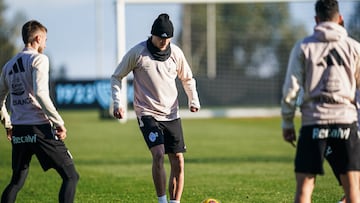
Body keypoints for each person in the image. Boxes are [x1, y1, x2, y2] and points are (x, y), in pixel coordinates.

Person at [111, 13, 200, 203]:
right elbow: (117, 76)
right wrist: (118, 103)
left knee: (177, 159)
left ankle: (174, 202)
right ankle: (162, 201)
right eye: (161, 37)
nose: (164, 41)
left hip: (171, 113)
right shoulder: (138, 53)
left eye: (168, 38)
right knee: (159, 154)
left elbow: (187, 78)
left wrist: (194, 100)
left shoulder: (176, 53)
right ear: (153, 34)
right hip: (147, 113)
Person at [281, 0, 360, 202]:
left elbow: (291, 88)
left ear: (316, 20)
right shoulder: (354, 48)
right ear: (340, 19)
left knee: (304, 189)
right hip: (345, 122)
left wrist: (287, 122)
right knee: (353, 191)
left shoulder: (304, 46)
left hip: (313, 122)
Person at [0, 20, 79, 203]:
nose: (45, 44)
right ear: (38, 38)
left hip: (19, 130)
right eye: (45, 39)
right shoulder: (39, 59)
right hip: (39, 128)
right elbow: (41, 94)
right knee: (71, 176)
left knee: (16, 182)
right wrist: (59, 122)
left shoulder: (8, 66)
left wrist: (8, 123)